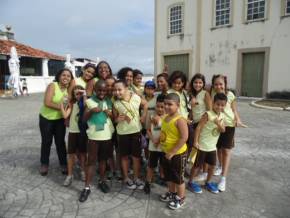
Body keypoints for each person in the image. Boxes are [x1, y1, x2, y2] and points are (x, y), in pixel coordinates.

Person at [79, 80, 115, 202]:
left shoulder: (108, 101)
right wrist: (90, 111)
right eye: (99, 90)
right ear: (95, 90)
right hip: (94, 137)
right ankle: (87, 187)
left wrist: (109, 113)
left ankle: (102, 181)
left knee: (103, 160)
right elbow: (83, 119)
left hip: (106, 136)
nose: (102, 92)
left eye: (104, 90)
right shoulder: (89, 101)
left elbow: (113, 117)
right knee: (91, 162)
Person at [211, 74, 246, 192]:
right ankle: (220, 166)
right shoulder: (211, 94)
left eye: (221, 84)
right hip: (216, 125)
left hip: (229, 125)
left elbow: (234, 109)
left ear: (225, 84)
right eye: (216, 84)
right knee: (218, 149)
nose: (218, 86)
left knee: (226, 150)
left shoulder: (230, 95)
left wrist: (238, 119)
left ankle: (223, 179)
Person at [188, 93, 227, 194]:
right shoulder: (207, 114)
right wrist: (196, 141)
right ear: (213, 103)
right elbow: (198, 128)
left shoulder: (222, 115)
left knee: (213, 166)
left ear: (225, 105)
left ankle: (208, 182)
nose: (219, 107)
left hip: (212, 147)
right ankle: (191, 182)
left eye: (222, 105)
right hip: (202, 145)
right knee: (197, 166)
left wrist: (219, 124)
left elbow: (223, 130)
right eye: (217, 104)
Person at [112, 79, 148, 189]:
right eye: (115, 90)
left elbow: (145, 104)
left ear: (126, 89)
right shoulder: (115, 103)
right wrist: (118, 119)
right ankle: (127, 178)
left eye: (119, 90)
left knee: (136, 157)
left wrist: (143, 116)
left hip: (136, 132)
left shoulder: (136, 98)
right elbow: (114, 119)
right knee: (124, 157)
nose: (117, 92)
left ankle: (136, 178)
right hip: (122, 133)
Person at [39, 69, 74, 176]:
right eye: (63, 75)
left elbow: (71, 105)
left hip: (59, 120)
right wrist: (62, 108)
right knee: (46, 142)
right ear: (59, 76)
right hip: (46, 118)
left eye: (68, 76)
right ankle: (44, 164)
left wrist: (67, 117)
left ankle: (63, 164)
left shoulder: (69, 91)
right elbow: (47, 102)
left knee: (60, 142)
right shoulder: (53, 85)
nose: (66, 77)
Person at [159, 93, 188, 210]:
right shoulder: (166, 117)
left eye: (170, 104)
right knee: (169, 176)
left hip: (178, 154)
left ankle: (181, 198)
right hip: (166, 153)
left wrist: (172, 152)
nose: (166, 107)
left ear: (178, 105)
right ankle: (172, 193)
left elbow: (184, 137)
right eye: (165, 104)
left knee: (178, 178)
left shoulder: (180, 120)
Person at [61, 85, 87, 187]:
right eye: (77, 93)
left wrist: (84, 95)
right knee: (71, 154)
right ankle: (70, 174)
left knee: (83, 154)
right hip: (73, 132)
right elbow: (65, 115)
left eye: (80, 93)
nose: (79, 95)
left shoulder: (85, 102)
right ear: (73, 94)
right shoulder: (72, 104)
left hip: (82, 132)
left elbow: (86, 106)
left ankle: (83, 171)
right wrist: (61, 105)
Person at [188, 73, 212, 181]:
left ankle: (203, 171)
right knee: (195, 147)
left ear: (203, 84)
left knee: (202, 148)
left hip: (203, 124)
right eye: (195, 82)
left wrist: (204, 122)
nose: (197, 84)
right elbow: (192, 110)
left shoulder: (205, 94)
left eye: (200, 82)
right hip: (194, 123)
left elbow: (210, 110)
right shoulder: (192, 94)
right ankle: (197, 168)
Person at [144, 94, 166, 194]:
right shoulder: (152, 116)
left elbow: (167, 131)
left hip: (163, 146)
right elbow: (148, 129)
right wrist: (153, 139)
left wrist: (159, 140)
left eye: (162, 107)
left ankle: (162, 177)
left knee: (163, 164)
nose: (160, 109)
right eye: (158, 106)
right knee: (151, 165)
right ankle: (148, 182)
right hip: (153, 146)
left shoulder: (168, 118)